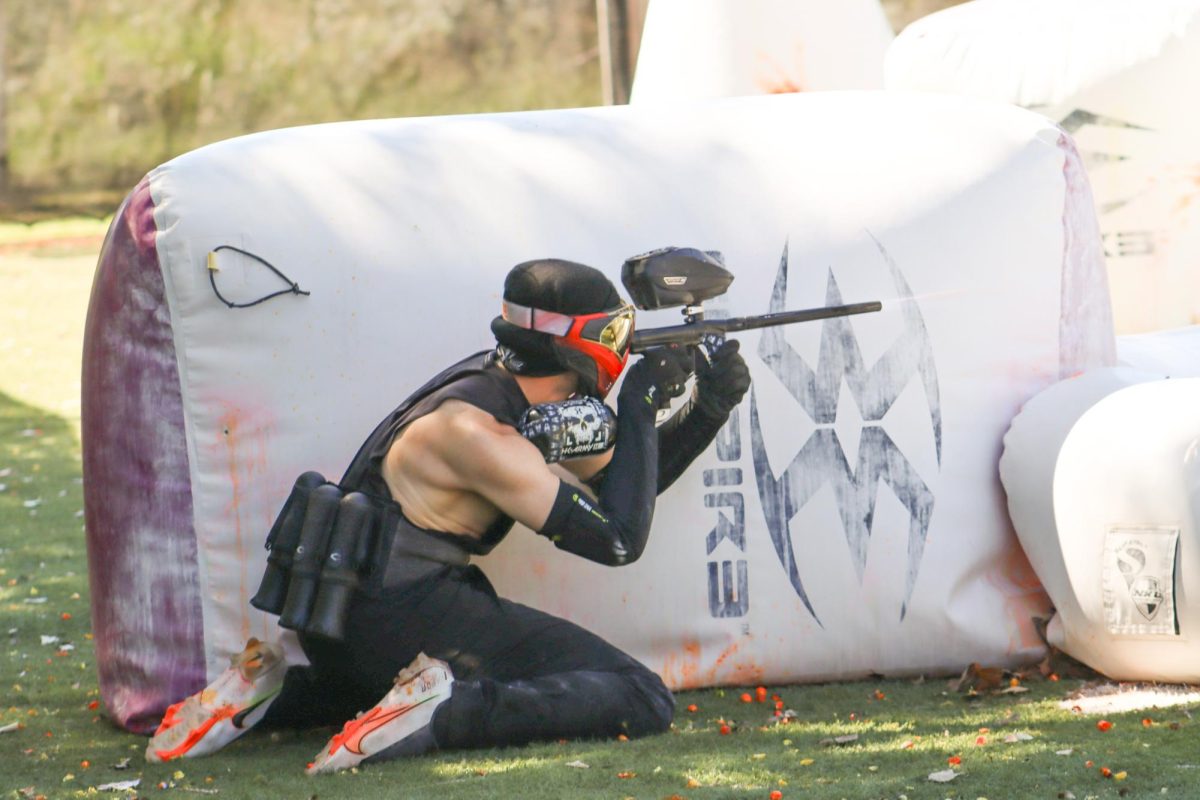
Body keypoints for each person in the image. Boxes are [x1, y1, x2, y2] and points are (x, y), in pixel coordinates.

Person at [144, 256, 751, 773]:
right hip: (400, 616)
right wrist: (641, 405)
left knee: (384, 669)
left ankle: (276, 691)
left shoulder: (493, 387)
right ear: (586, 344)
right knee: (641, 695)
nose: (624, 349)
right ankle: (443, 708)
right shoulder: (480, 434)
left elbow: (627, 491)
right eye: (618, 335)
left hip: (344, 624)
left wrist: (709, 407)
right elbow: (620, 539)